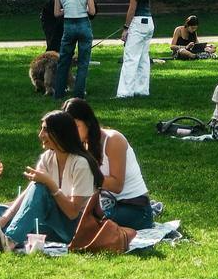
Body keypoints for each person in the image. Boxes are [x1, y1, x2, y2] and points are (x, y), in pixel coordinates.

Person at [0, 110, 101, 250]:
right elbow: (31, 192)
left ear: (61, 133)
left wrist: (50, 184)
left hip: (76, 228)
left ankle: (10, 241)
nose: (40, 135)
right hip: (54, 225)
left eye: (46, 130)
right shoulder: (48, 157)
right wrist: (3, 218)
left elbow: (73, 213)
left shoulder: (81, 164)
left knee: (41, 188)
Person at [64, 98, 155, 230]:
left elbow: (117, 185)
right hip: (106, 206)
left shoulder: (113, 140)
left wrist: (87, 175)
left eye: (76, 126)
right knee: (72, 220)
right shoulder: (81, 145)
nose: (72, 133)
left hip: (135, 209)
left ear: (88, 123)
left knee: (87, 226)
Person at [52, 0, 95, 100]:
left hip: (68, 25)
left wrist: (67, 10)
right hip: (83, 24)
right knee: (83, 62)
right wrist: (85, 8)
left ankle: (58, 93)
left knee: (64, 60)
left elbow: (56, 13)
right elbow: (92, 11)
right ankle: (79, 94)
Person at [115, 0, 153, 99]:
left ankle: (125, 92)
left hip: (138, 22)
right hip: (149, 22)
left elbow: (132, 8)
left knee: (130, 58)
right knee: (143, 58)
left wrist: (126, 27)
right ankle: (142, 90)